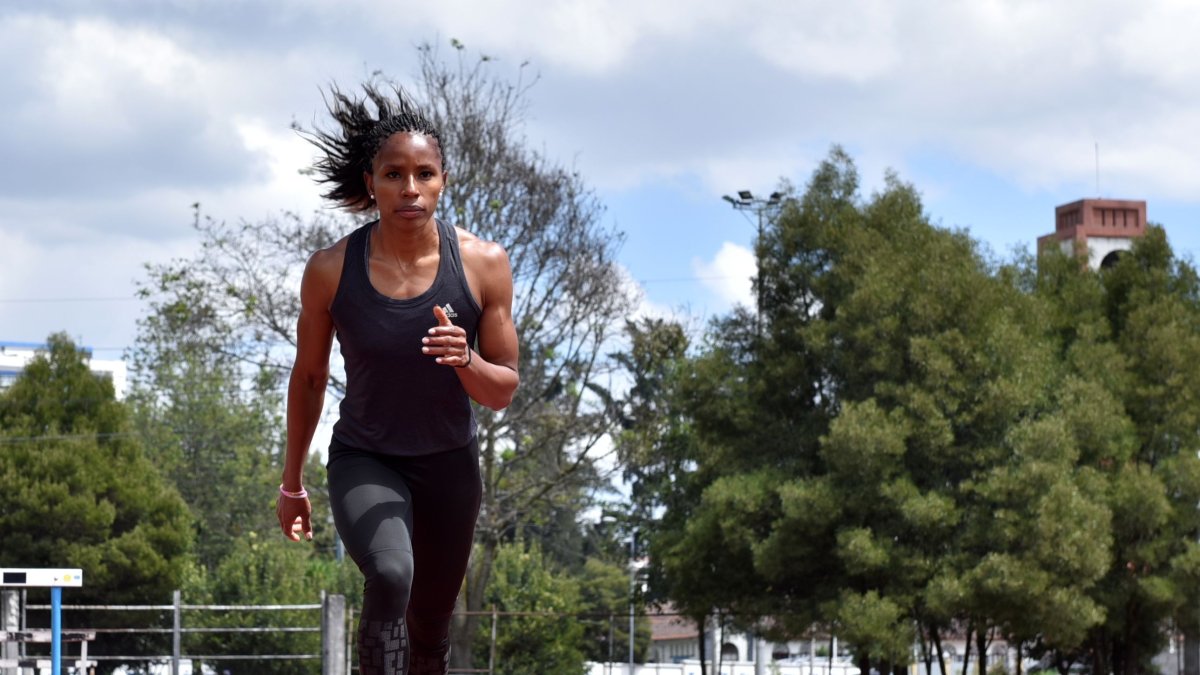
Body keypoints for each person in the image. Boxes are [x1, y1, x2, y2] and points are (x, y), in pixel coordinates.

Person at [275, 83, 520, 675]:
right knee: (389, 573)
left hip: (448, 464)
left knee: (431, 630)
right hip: (367, 456)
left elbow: (502, 392)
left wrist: (466, 360)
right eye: (393, 175)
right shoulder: (332, 269)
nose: (410, 189)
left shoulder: (484, 265)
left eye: (424, 174)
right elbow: (309, 379)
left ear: (443, 180)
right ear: (371, 183)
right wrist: (291, 483)